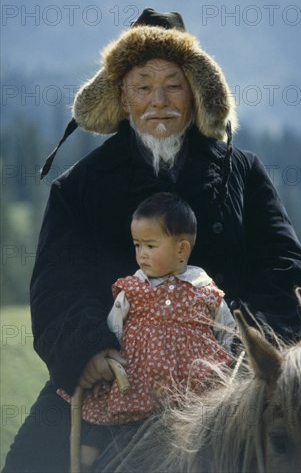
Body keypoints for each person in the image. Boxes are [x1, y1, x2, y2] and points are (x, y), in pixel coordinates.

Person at [3, 7, 301, 473]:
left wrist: (251, 350)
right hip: (115, 372)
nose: (158, 100)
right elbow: (55, 287)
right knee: (30, 462)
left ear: (196, 92)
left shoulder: (242, 172)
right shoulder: (79, 186)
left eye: (173, 83)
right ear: (122, 98)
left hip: (226, 373)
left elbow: (285, 268)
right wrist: (85, 350)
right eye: (143, 85)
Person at [64, 191, 235, 470]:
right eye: (137, 245)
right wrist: (106, 355)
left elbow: (225, 328)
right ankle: (88, 463)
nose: (141, 254)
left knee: (199, 432)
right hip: (139, 379)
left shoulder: (203, 288)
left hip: (192, 383)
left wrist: (225, 365)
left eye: (150, 246)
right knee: (107, 416)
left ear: (182, 250)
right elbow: (113, 326)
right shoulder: (133, 287)